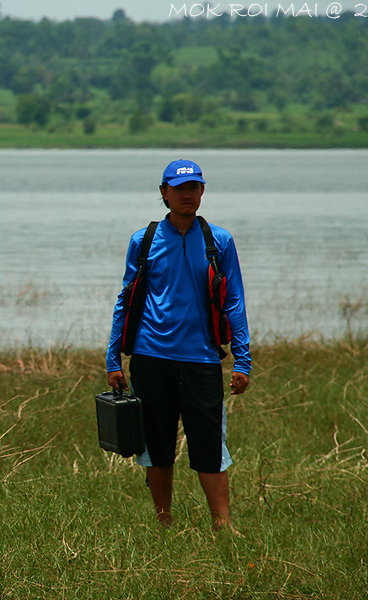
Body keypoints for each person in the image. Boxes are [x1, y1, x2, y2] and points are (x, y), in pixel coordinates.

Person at [105, 159, 251, 532]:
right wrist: (112, 358)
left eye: (194, 188)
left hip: (201, 358)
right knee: (156, 445)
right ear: (164, 192)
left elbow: (234, 299)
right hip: (151, 357)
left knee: (209, 446)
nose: (188, 195)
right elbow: (126, 299)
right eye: (180, 188)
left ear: (202, 192)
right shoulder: (144, 241)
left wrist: (242, 360)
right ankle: (163, 520)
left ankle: (223, 525)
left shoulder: (218, 241)